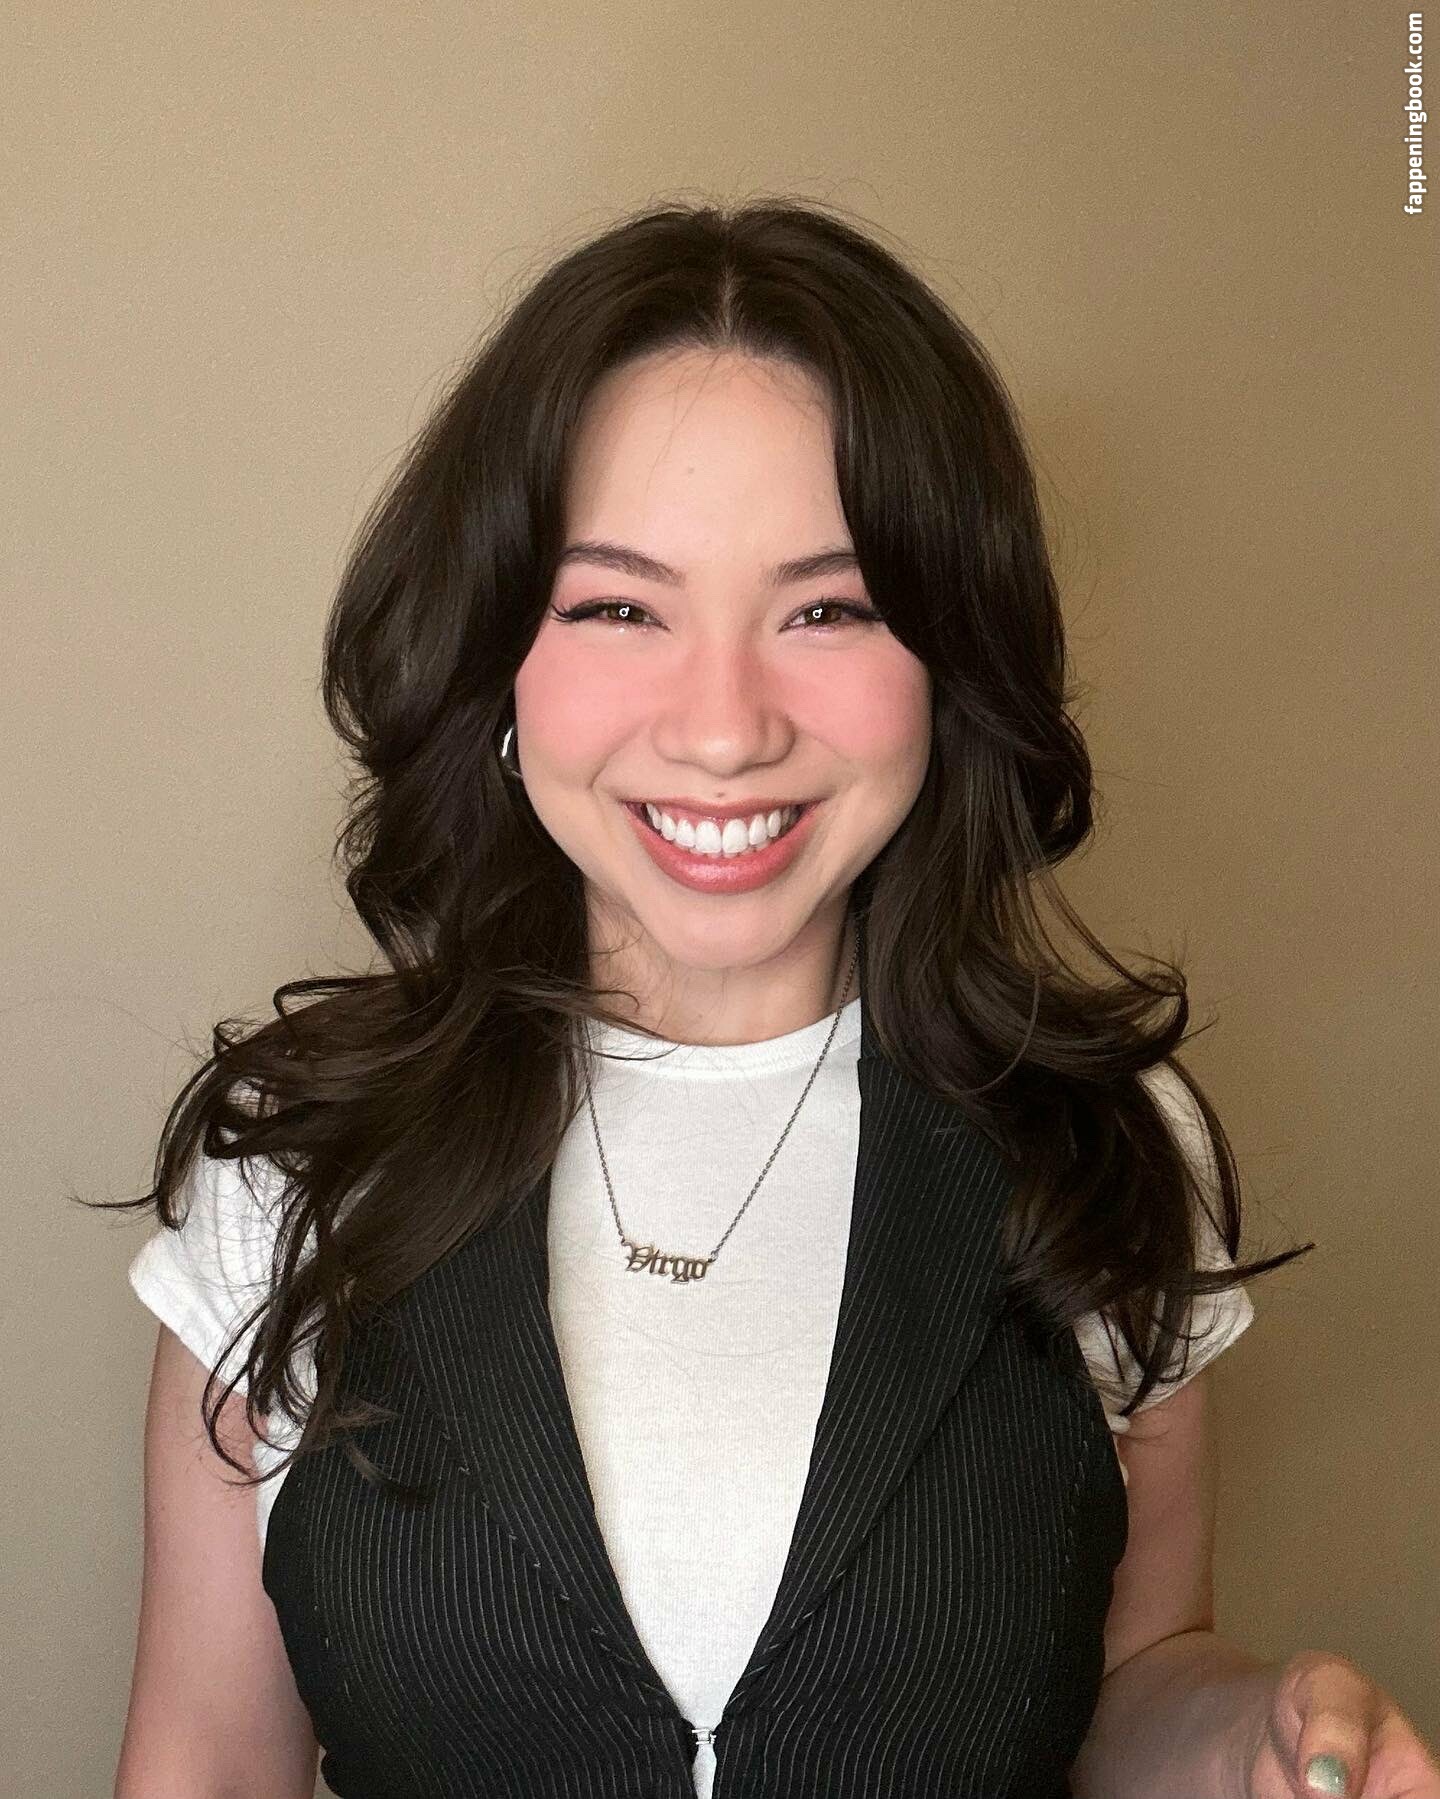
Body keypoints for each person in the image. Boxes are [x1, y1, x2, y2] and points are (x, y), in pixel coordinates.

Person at [106, 201, 1434, 1799]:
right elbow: (207, 1756)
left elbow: (1134, 1676)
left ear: (945, 658)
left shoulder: (1105, 1144)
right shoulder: (296, 1166)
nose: (726, 728)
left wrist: (1258, 1736)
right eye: (619, 607)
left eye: (828, 608)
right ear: (500, 654)